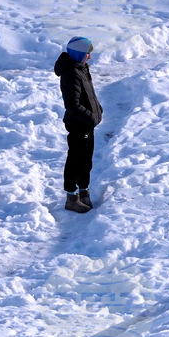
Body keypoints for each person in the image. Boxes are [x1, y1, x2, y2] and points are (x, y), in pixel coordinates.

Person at [53, 36, 103, 214]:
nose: (89, 57)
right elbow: (72, 105)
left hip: (87, 124)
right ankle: (71, 198)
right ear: (78, 54)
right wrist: (90, 117)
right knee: (76, 160)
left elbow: (88, 95)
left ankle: (84, 190)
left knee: (86, 159)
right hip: (79, 125)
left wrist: (98, 109)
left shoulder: (81, 68)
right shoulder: (71, 74)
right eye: (87, 54)